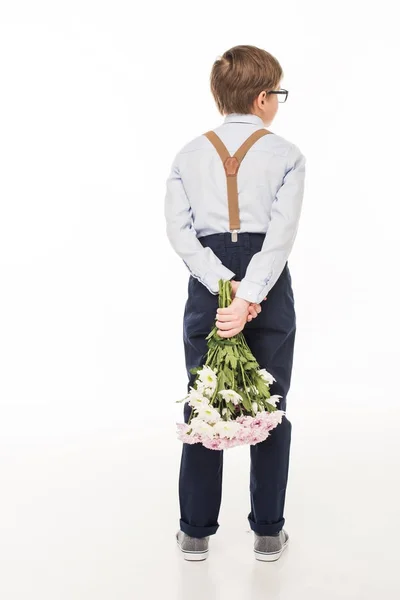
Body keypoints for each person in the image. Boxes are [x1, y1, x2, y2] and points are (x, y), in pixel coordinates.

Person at [164, 44, 306, 562]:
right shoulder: (286, 154)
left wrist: (223, 287)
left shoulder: (187, 154)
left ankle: (195, 534)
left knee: (206, 400)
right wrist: (249, 294)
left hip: (208, 288)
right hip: (267, 286)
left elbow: (180, 236)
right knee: (269, 403)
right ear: (264, 97)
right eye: (279, 95)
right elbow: (281, 236)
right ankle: (269, 533)